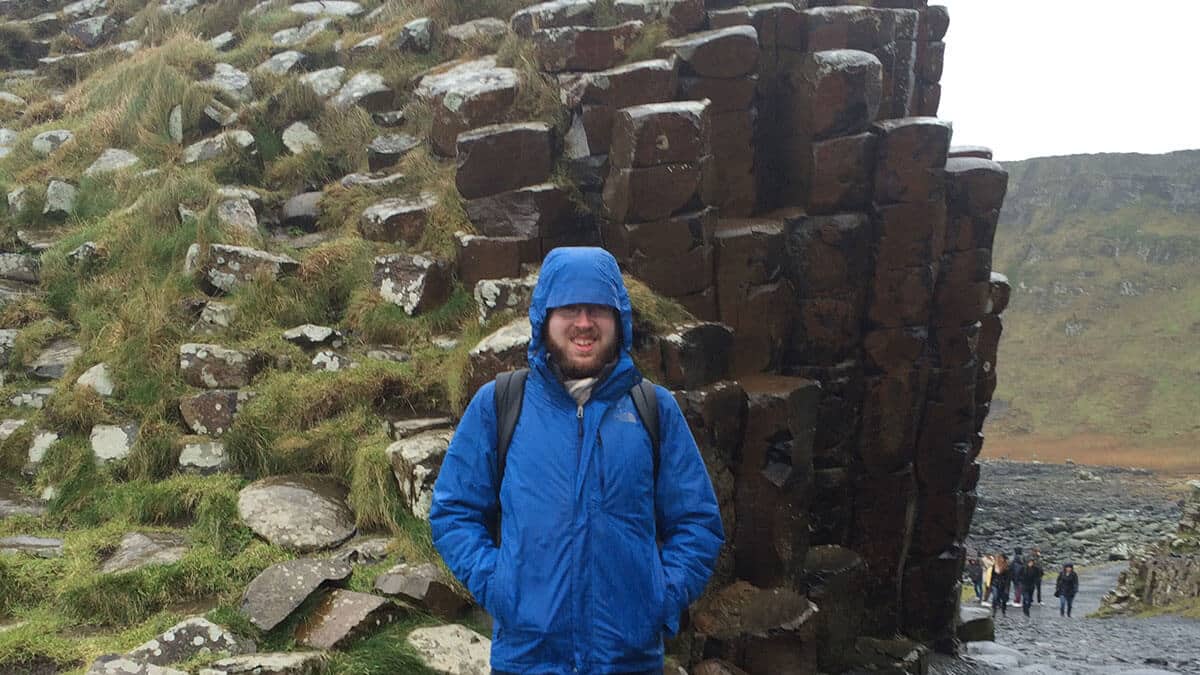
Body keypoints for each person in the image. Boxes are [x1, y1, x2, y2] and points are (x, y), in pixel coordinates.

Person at [429, 247, 724, 675]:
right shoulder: (500, 404)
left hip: (629, 662)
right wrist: (499, 587)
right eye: (569, 308)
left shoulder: (653, 409)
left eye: (598, 309)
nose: (584, 323)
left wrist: (659, 596)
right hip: (526, 662)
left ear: (618, 319)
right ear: (544, 317)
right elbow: (453, 511)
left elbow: (698, 523)